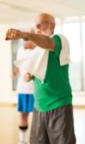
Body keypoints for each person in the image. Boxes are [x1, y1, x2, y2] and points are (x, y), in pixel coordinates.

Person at [6, 13, 76, 144]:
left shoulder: (59, 39)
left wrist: (24, 35)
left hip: (59, 105)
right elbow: (41, 69)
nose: (37, 26)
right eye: (36, 24)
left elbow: (48, 42)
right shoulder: (37, 49)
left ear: (52, 25)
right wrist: (30, 75)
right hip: (38, 107)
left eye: (42, 23)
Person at [13, 41, 35, 144]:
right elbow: (18, 66)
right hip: (22, 89)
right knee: (22, 115)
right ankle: (22, 140)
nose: (25, 42)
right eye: (24, 40)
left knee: (37, 117)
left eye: (27, 39)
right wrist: (15, 72)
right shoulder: (20, 51)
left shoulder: (37, 51)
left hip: (35, 90)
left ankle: (37, 139)